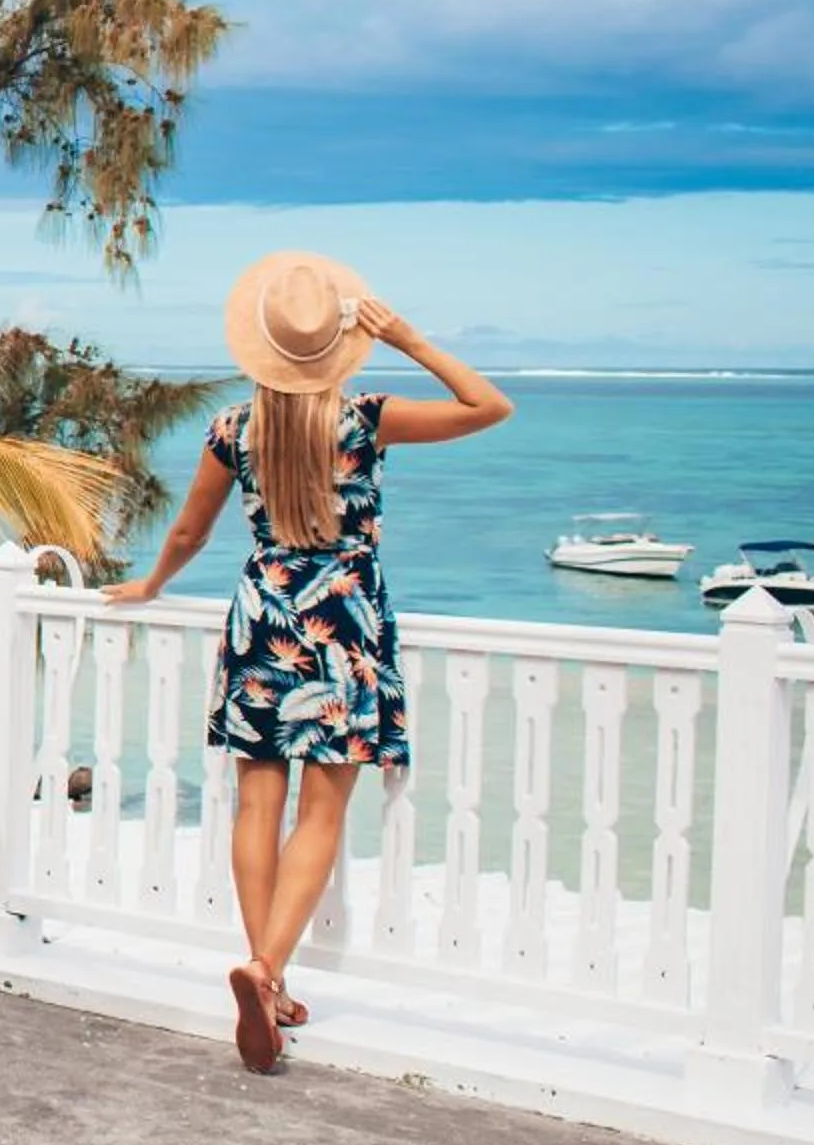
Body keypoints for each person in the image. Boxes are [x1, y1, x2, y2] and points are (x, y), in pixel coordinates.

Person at [103, 252, 512, 1073]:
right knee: (319, 816)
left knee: (258, 804)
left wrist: (151, 581)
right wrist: (406, 338)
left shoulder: (233, 430)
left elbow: (189, 532)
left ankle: (270, 979)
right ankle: (265, 973)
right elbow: (489, 406)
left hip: (263, 614)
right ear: (337, 348)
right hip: (344, 622)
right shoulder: (363, 418)